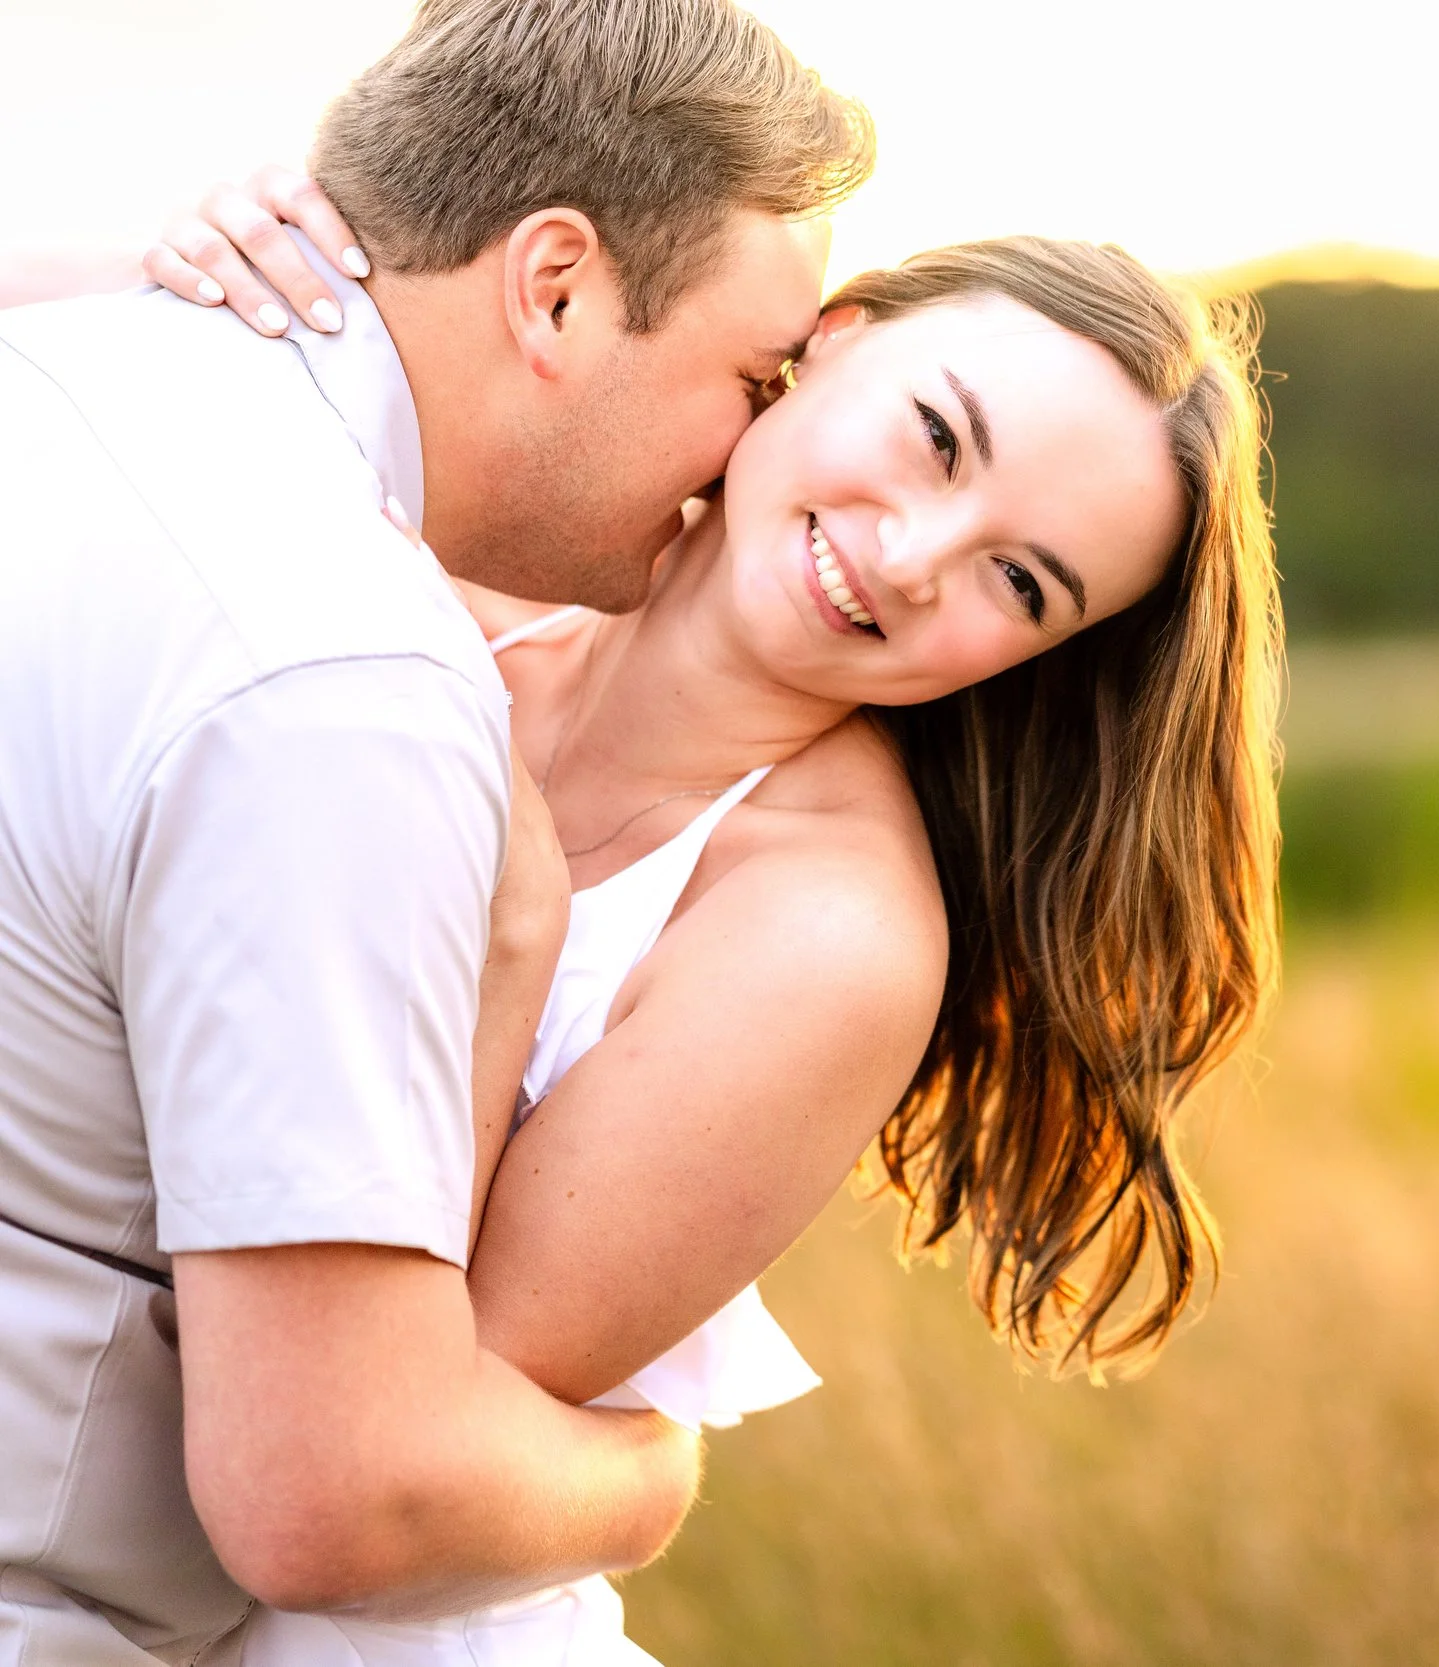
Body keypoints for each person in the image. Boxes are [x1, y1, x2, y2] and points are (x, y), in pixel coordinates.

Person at [111, 185, 1282, 1661]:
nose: (919, 555)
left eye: (1018, 580)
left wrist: (515, 939)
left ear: (1038, 659)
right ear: (837, 341)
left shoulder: (828, 932)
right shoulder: (462, 533)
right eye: (938, 440)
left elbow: (390, 1425)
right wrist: (190, 264)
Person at [0, 0, 869, 1655]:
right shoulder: (346, 676)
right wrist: (650, 1473)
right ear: (555, 286)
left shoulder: (52, 373)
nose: (749, 455)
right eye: (752, 377)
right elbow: (336, 1493)